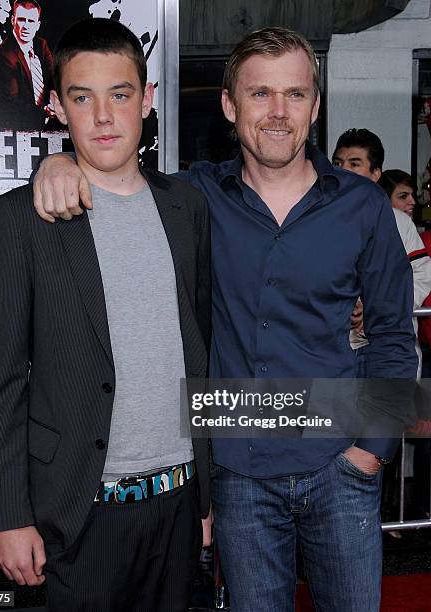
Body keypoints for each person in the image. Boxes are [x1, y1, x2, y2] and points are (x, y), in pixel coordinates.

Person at [31, 27, 417, 612]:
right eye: (260, 94)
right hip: (237, 470)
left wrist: (372, 452)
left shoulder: (361, 205)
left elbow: (394, 334)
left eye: (294, 94)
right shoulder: (191, 199)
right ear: (231, 106)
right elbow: (112, 172)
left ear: (315, 105)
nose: (278, 113)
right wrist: (58, 163)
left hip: (341, 465)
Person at [0, 18, 211, 612]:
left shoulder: (186, 207)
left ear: (148, 99)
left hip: (179, 507)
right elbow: (4, 379)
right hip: (77, 514)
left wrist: (205, 499)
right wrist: (8, 515)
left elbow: (198, 350)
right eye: (83, 97)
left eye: (120, 94)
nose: (103, 116)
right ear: (57, 106)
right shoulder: (21, 219)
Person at [333, 129, 431, 377]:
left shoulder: (399, 222)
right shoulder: (319, 221)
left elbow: (421, 274)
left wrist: (376, 308)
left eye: (355, 164)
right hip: (334, 349)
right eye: (338, 163)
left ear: (375, 174)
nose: (343, 171)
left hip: (384, 348)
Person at [0, 0, 53, 127]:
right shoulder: (1, 58)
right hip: (21, 126)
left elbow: (54, 78)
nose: (26, 26)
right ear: (13, 20)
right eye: (22, 20)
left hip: (49, 119)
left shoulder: (41, 45)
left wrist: (55, 102)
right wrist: (46, 112)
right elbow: (12, 106)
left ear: (38, 25)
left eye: (31, 21)